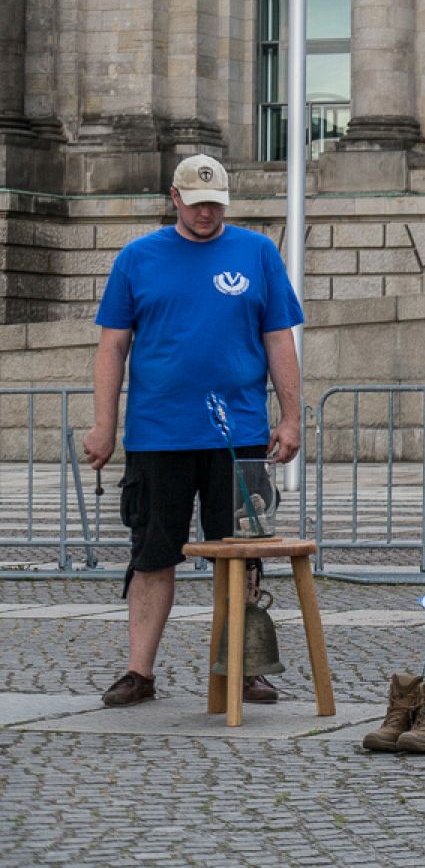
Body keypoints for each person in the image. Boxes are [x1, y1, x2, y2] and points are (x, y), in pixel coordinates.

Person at [81, 155, 305, 706]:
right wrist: (104, 425)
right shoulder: (137, 258)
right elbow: (113, 346)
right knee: (152, 553)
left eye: (216, 204)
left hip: (239, 437)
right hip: (160, 435)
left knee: (241, 555)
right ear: (174, 197)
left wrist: (294, 416)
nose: (207, 213)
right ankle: (140, 671)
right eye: (197, 202)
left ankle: (243, 665)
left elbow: (279, 338)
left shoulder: (256, 253)